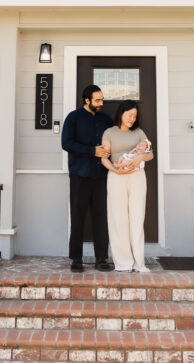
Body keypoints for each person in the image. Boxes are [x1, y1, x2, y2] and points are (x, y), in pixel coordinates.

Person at [61, 84, 114, 272]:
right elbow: (66, 143)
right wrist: (92, 151)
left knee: (101, 217)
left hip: (101, 175)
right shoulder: (73, 118)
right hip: (79, 175)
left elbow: (114, 140)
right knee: (78, 216)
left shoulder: (105, 119)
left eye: (102, 99)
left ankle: (101, 259)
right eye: (97, 100)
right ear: (87, 100)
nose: (101, 103)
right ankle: (76, 259)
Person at [99, 100, 154, 273]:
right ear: (121, 114)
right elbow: (103, 158)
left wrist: (138, 158)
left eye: (135, 116)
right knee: (118, 218)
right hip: (116, 177)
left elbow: (150, 154)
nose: (132, 118)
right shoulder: (109, 132)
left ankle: (138, 262)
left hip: (137, 177)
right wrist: (115, 170)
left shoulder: (138, 132)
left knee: (137, 217)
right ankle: (123, 262)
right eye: (129, 115)